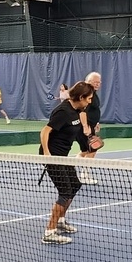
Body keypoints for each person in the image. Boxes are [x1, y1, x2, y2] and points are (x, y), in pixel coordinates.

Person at [39, 80, 94, 244]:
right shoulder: (63, 111)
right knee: (65, 191)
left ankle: (61, 221)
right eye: (89, 98)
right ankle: (49, 232)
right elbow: (45, 131)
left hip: (63, 156)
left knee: (75, 185)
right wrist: (47, 154)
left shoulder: (77, 110)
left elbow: (76, 134)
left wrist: (87, 146)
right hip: (53, 156)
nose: (90, 101)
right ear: (81, 97)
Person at [76, 71, 103, 184]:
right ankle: (84, 175)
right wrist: (85, 127)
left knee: (86, 151)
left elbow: (93, 111)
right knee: (93, 149)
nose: (97, 84)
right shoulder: (87, 94)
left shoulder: (94, 94)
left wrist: (95, 123)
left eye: (99, 82)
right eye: (94, 82)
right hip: (84, 127)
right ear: (88, 82)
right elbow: (82, 111)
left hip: (90, 126)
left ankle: (70, 166)